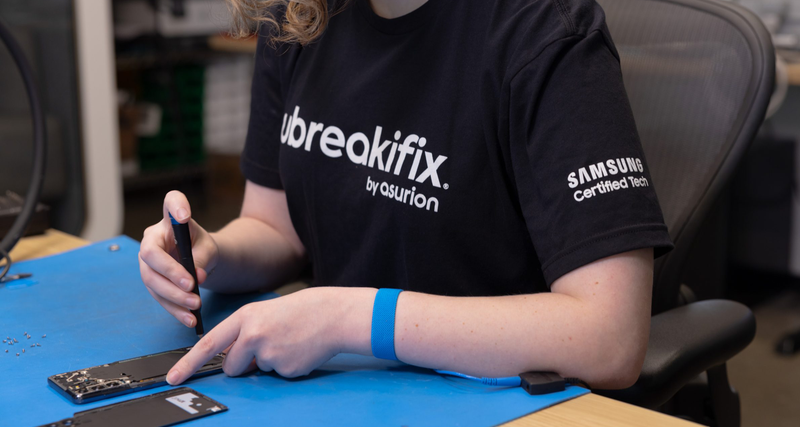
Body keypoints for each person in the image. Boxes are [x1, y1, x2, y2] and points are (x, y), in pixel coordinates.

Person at [139, 0, 673, 390]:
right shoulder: (300, 14)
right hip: (351, 390)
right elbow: (276, 227)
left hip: (499, 400)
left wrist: (350, 318)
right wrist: (210, 256)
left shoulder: (545, 32)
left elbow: (610, 336)